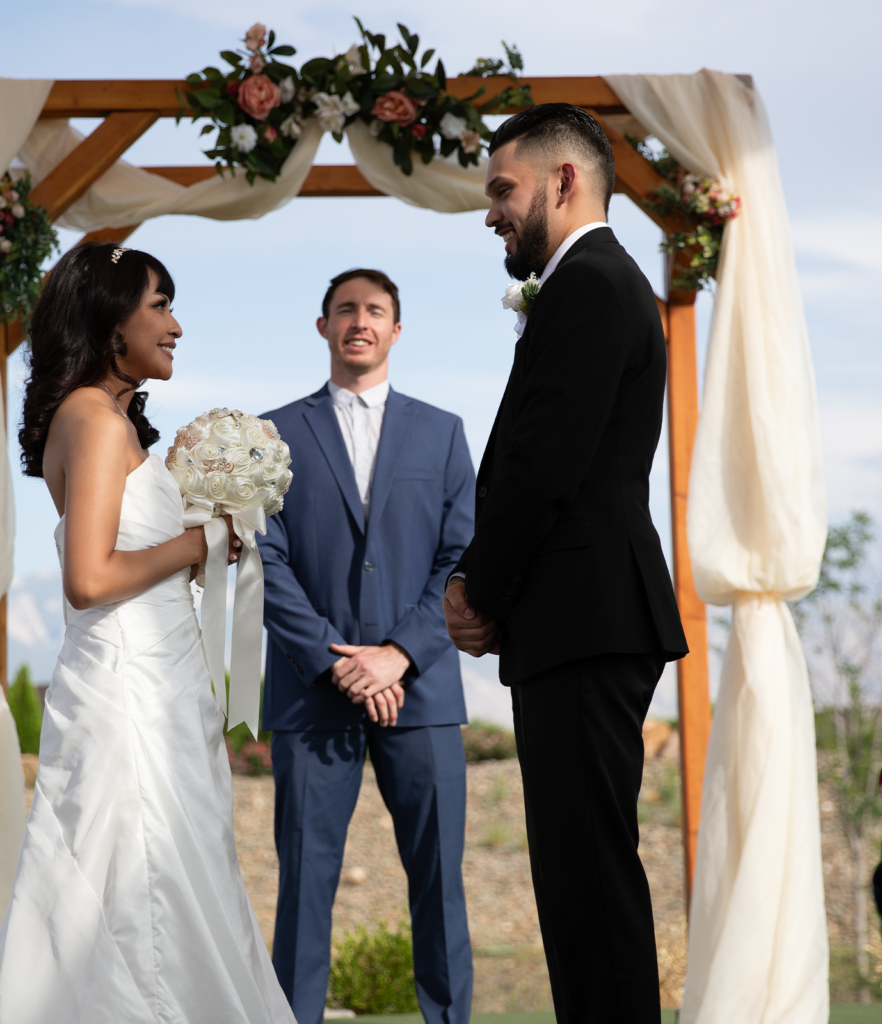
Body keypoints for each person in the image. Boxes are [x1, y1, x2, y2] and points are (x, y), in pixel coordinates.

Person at [0, 243, 295, 1024]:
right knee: (144, 877)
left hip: (160, 675)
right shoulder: (93, 419)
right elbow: (89, 580)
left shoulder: (105, 418)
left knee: (169, 869)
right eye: (161, 305)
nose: (176, 325)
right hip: (130, 688)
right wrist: (201, 541)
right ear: (111, 318)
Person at [444, 105, 689, 1024]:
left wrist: (476, 590)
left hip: (584, 616)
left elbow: (546, 465)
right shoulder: (593, 281)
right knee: (581, 882)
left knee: (589, 885)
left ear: (563, 182)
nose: (491, 212)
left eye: (502, 190)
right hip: (581, 617)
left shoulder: (590, 284)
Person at [256, 269, 476, 1024]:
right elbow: (264, 559)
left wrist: (398, 656)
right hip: (311, 695)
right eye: (345, 309)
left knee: (440, 885)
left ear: (396, 330)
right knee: (304, 888)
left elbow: (461, 558)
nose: (360, 320)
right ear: (322, 327)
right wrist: (338, 660)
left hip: (423, 694)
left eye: (375, 310)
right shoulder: (272, 433)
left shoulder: (443, 432)